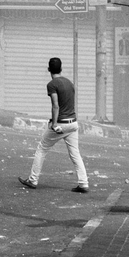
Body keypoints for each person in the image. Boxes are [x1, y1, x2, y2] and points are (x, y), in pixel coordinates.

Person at [19, 57, 90, 193]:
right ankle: (83, 183)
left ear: (49, 69)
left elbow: (55, 105)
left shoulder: (52, 84)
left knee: (42, 148)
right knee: (75, 154)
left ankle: (33, 180)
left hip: (61, 124)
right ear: (61, 69)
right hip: (73, 123)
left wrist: (54, 124)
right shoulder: (70, 83)